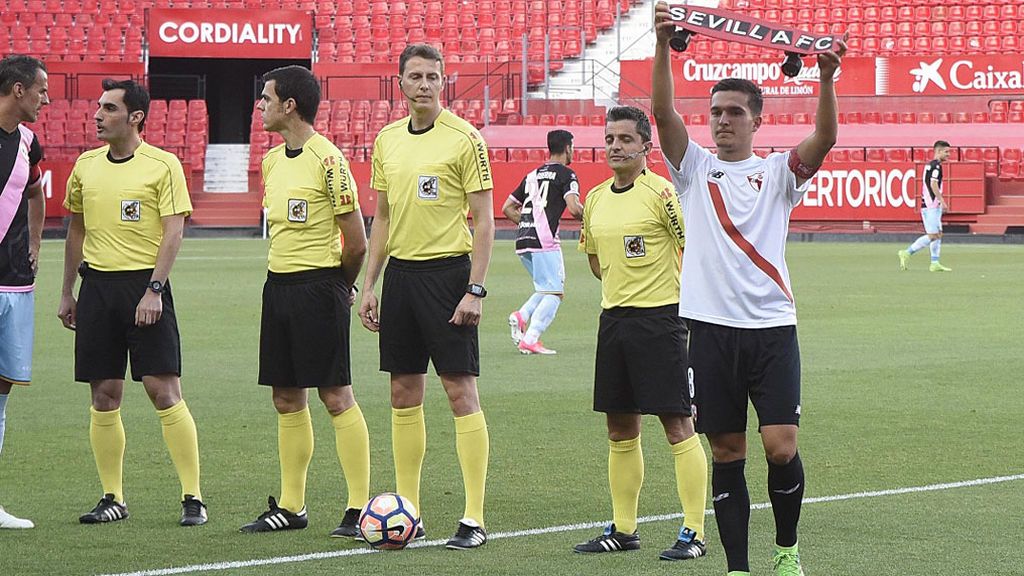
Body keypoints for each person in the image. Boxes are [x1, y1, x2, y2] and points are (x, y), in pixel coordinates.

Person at [652, 2, 846, 574]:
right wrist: (663, 43)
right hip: (710, 332)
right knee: (728, 453)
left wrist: (826, 79)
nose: (722, 121)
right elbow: (662, 112)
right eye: (716, 112)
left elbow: (826, 136)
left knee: (780, 445)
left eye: (735, 112)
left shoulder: (780, 174)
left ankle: (786, 550)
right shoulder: (693, 170)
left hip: (771, 329)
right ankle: (738, 567)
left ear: (756, 120)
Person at [358, 43, 494, 550]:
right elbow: (384, 219)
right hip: (402, 280)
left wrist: (474, 289)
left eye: (432, 77)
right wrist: (370, 285)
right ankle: (408, 514)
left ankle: (474, 516)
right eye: (414, 76)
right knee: (402, 392)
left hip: (448, 276)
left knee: (460, 391)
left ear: (444, 82)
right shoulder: (388, 140)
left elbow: (484, 222)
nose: (423, 84)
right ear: (400, 82)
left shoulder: (465, 139)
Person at [58, 79, 206, 527]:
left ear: (135, 116)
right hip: (97, 289)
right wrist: (68, 291)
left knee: (164, 392)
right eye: (98, 107)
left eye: (109, 108)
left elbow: (174, 230)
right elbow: (76, 231)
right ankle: (112, 497)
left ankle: (193, 497)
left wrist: (154, 289)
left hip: (144, 287)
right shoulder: (85, 166)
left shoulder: (162, 165)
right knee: (104, 395)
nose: (98, 115)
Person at [572, 106, 709, 561]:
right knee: (619, 426)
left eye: (626, 139)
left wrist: (680, 304)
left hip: (662, 320)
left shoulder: (663, 194)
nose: (615, 146)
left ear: (645, 147)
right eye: (610, 138)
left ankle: (694, 530)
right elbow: (594, 259)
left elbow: (693, 246)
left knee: (677, 424)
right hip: (614, 321)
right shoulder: (594, 198)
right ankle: (624, 527)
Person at [240, 65, 370, 538]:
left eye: (266, 97)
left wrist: (341, 285)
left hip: (320, 286)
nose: (260, 105)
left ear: (289, 105)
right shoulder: (273, 162)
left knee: (335, 396)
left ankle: (359, 507)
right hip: (278, 287)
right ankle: (292, 506)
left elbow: (356, 241)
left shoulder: (328, 160)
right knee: (285, 397)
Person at [0, 54, 48, 530]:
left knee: (2, 393)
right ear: (18, 90)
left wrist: (35, 241)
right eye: (41, 91)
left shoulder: (29, 142)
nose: (46, 99)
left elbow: (35, 193)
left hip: (16, 281)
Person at [501, 129, 583, 355]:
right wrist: (594, 219)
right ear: (567, 148)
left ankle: (521, 316)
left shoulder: (531, 175)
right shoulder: (567, 175)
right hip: (545, 239)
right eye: (572, 147)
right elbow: (575, 208)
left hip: (523, 239)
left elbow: (507, 207)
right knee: (555, 292)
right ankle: (531, 338)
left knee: (546, 287)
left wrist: (528, 222)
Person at [899, 140, 952, 272]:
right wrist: (942, 201)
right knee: (933, 235)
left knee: (938, 234)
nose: (948, 154)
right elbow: (933, 184)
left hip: (930, 204)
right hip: (931, 205)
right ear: (938, 151)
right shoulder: (936, 167)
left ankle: (935, 262)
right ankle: (907, 252)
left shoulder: (930, 165)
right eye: (946, 151)